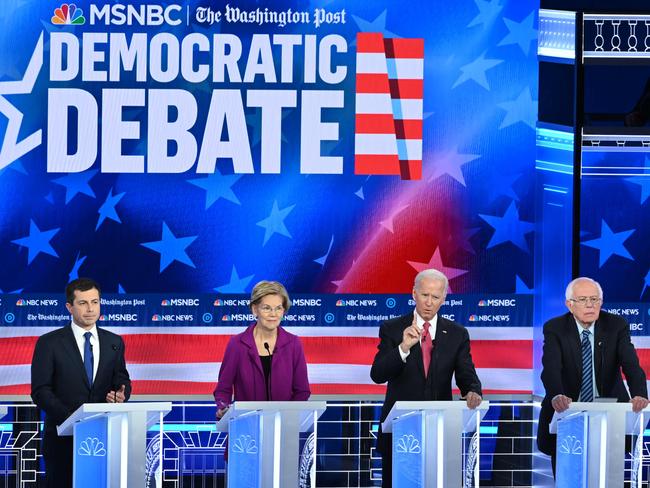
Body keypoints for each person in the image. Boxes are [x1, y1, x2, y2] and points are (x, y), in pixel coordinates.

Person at [370, 269, 482, 488]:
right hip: (400, 431)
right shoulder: (392, 329)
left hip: (438, 429)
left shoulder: (457, 334)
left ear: (444, 299)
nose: (429, 302)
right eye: (424, 295)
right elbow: (378, 374)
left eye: (436, 297)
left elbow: (466, 374)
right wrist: (403, 348)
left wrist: (473, 390)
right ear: (413, 293)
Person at [537, 277, 649, 473]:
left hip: (609, 415)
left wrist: (639, 394)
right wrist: (556, 394)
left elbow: (631, 364)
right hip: (567, 413)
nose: (590, 305)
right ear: (569, 305)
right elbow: (551, 368)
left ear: (601, 302)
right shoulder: (555, 328)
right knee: (568, 475)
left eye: (595, 299)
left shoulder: (616, 325)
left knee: (608, 475)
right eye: (582, 300)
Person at [31, 277, 131, 487]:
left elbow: (121, 379)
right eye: (83, 303)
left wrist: (122, 394)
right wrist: (72, 419)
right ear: (69, 307)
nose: (90, 309)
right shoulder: (49, 343)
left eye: (95, 302)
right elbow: (40, 390)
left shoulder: (114, 342)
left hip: (104, 436)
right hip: (62, 438)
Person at [214, 280, 310, 418]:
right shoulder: (237, 344)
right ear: (255, 310)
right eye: (266, 308)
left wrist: (288, 416)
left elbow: (302, 391)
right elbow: (223, 389)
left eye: (278, 308)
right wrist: (223, 407)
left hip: (283, 427)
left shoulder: (293, 344)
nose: (273, 314)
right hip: (245, 426)